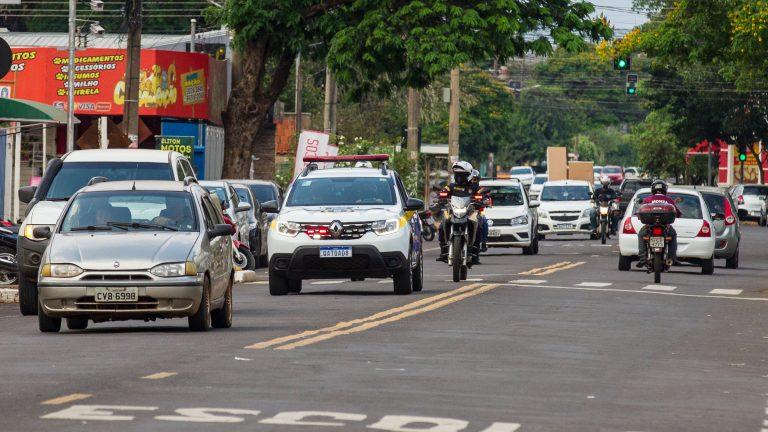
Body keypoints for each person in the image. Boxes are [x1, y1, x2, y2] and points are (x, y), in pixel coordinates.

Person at [436, 161, 482, 263]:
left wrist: (481, 200)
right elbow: (444, 191)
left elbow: (481, 194)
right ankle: (444, 251)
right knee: (442, 224)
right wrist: (441, 196)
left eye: (462, 175)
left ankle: (475, 252)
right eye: (457, 175)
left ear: (469, 175)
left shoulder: (473, 187)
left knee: (479, 225)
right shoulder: (452, 186)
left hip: (469, 212)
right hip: (454, 211)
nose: (460, 177)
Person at [636, 179, 682, 268]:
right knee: (673, 235)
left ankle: (642, 259)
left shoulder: (648, 199)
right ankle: (672, 258)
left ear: (652, 189)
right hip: (665, 227)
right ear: (665, 189)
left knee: (641, 235)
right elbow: (678, 213)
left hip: (649, 226)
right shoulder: (669, 200)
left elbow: (639, 213)